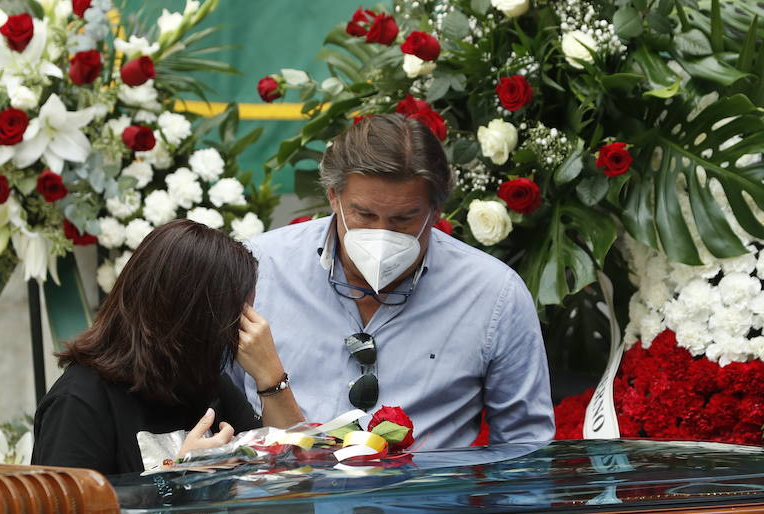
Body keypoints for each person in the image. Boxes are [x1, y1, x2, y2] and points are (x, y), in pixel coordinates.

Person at [231, 113, 553, 450]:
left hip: (428, 500)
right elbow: (210, 408)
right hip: (279, 498)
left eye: (403, 219)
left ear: (436, 211)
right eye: (364, 214)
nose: (381, 235)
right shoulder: (258, 268)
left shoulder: (493, 294)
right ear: (333, 197)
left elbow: (523, 447)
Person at [33, 219, 302, 476]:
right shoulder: (80, 401)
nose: (242, 328)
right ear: (192, 316)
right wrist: (176, 478)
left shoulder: (206, 382)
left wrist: (271, 376)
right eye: (236, 314)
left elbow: (294, 472)